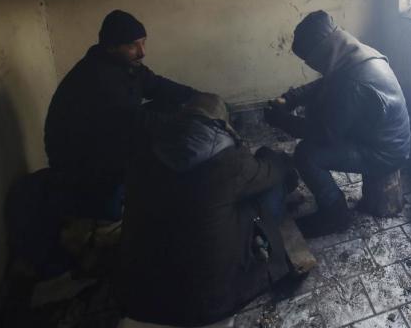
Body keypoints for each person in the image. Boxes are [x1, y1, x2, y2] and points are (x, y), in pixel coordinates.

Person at [118, 102, 295, 326]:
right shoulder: (226, 162)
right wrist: (274, 156)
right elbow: (269, 173)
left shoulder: (144, 158)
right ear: (221, 127)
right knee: (261, 197)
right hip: (209, 305)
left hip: (139, 299)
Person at [43, 9, 201, 221]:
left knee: (172, 104)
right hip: (81, 161)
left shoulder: (124, 65)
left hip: (108, 138)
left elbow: (157, 85)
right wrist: (191, 120)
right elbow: (135, 119)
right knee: (110, 218)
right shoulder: (96, 78)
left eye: (143, 42)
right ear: (111, 47)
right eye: (132, 45)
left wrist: (201, 98)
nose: (142, 51)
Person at [265, 10, 411, 237]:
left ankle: (335, 215)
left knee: (306, 154)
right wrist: (291, 98)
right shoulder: (356, 54)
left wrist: (282, 120)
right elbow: (327, 83)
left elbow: (324, 134)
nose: (313, 66)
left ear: (323, 51)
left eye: (312, 60)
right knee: (317, 111)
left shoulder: (352, 82)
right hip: (382, 137)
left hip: (385, 153)